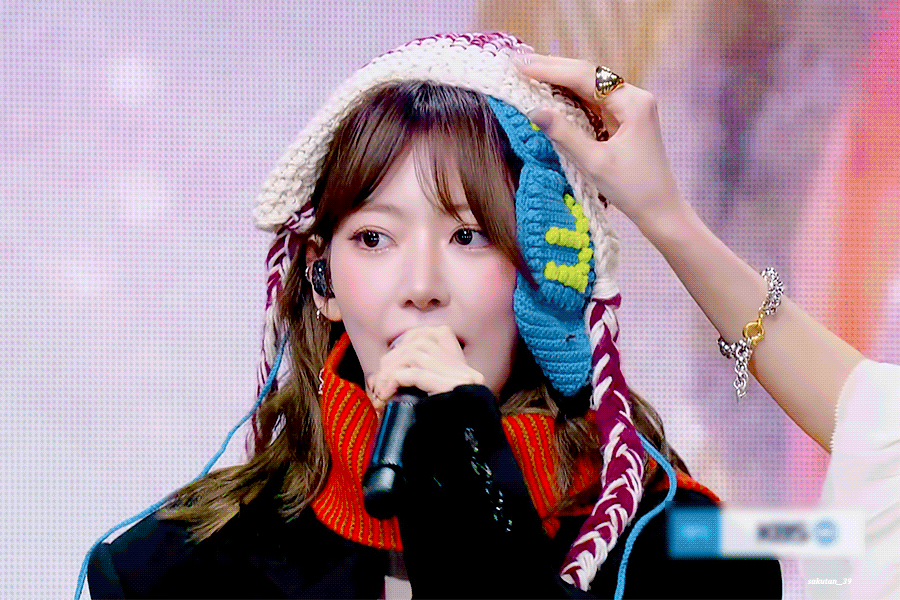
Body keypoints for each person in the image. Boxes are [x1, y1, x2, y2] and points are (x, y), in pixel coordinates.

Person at [85, 33, 781, 599]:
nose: (420, 287)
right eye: (374, 238)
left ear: (549, 278)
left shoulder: (688, 550)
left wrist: (473, 480)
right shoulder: (172, 570)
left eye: (469, 235)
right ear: (322, 281)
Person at [516, 53, 900, 600]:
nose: (421, 285)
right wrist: (663, 213)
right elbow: (872, 416)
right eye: (387, 236)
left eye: (466, 235)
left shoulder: (678, 541)